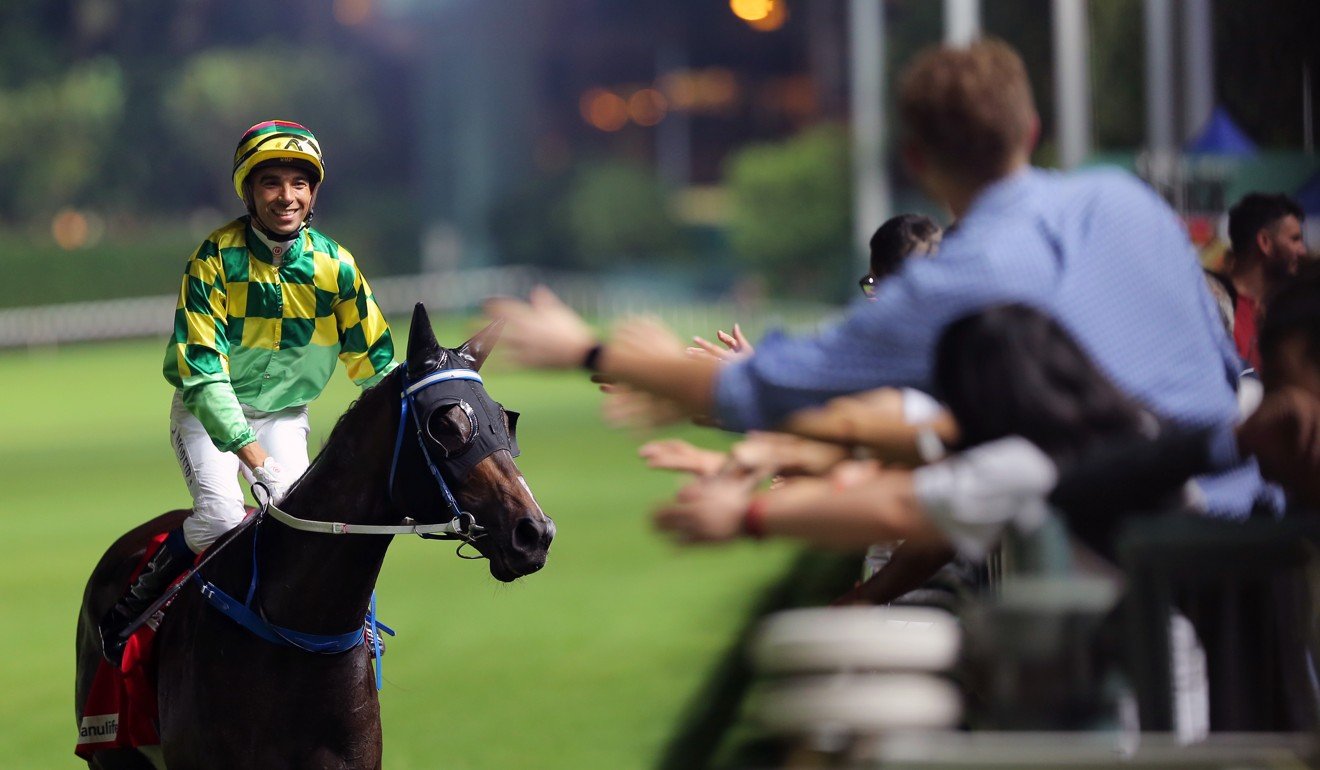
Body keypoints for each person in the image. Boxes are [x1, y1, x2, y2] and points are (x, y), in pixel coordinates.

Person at [486, 38, 1262, 519]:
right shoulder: (1130, 202)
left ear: (917, 161)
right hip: (1273, 527)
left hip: (1155, 584)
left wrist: (588, 350)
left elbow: (763, 392)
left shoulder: (948, 287)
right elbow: (1226, 369)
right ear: (1032, 130)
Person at [98, 120, 398, 664]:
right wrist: (254, 459)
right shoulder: (214, 259)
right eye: (272, 183)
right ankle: (134, 610)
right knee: (220, 517)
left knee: (312, 520)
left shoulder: (337, 266)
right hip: (209, 414)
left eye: (299, 183)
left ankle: (360, 623)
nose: (287, 196)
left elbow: (376, 363)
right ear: (249, 191)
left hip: (284, 416)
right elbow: (204, 374)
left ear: (313, 194)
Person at [1214, 193, 1308, 370]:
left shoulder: (1292, 312)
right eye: (1295, 239)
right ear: (1265, 242)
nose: (1302, 250)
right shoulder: (1212, 311)